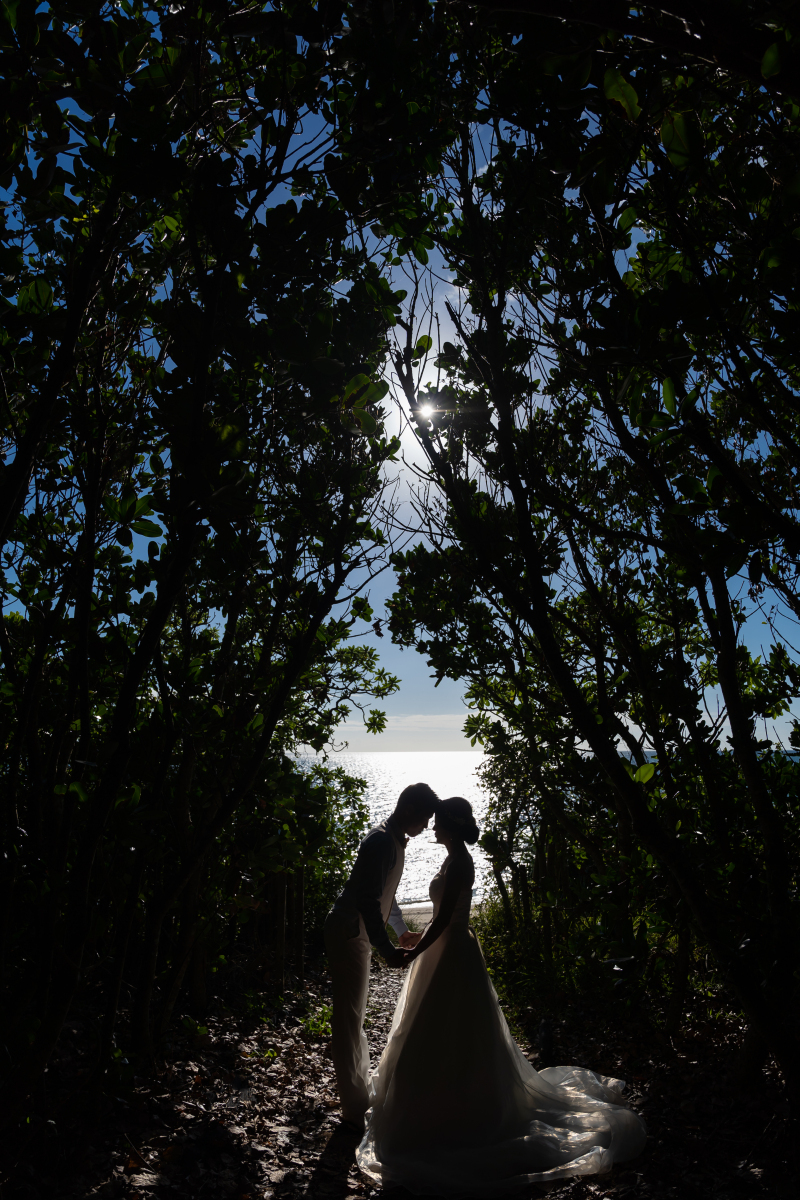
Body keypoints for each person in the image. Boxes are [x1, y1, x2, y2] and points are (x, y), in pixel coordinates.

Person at [356, 797, 647, 1194]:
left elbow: (443, 920)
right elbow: (440, 917)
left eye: (439, 822)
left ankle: (461, 1108)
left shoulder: (460, 863)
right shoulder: (452, 859)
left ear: (453, 828)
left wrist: (411, 953)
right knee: (433, 1028)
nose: (434, 828)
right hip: (441, 950)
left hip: (453, 952)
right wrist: (417, 941)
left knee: (455, 1028)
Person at [324, 781, 438, 1130]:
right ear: (409, 811)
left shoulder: (390, 840)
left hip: (354, 931)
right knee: (347, 1017)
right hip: (347, 932)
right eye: (424, 818)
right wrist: (386, 948)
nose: (427, 826)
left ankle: (357, 1096)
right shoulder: (380, 842)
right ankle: (352, 1108)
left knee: (353, 1014)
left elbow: (384, 894)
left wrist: (400, 929)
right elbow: (367, 901)